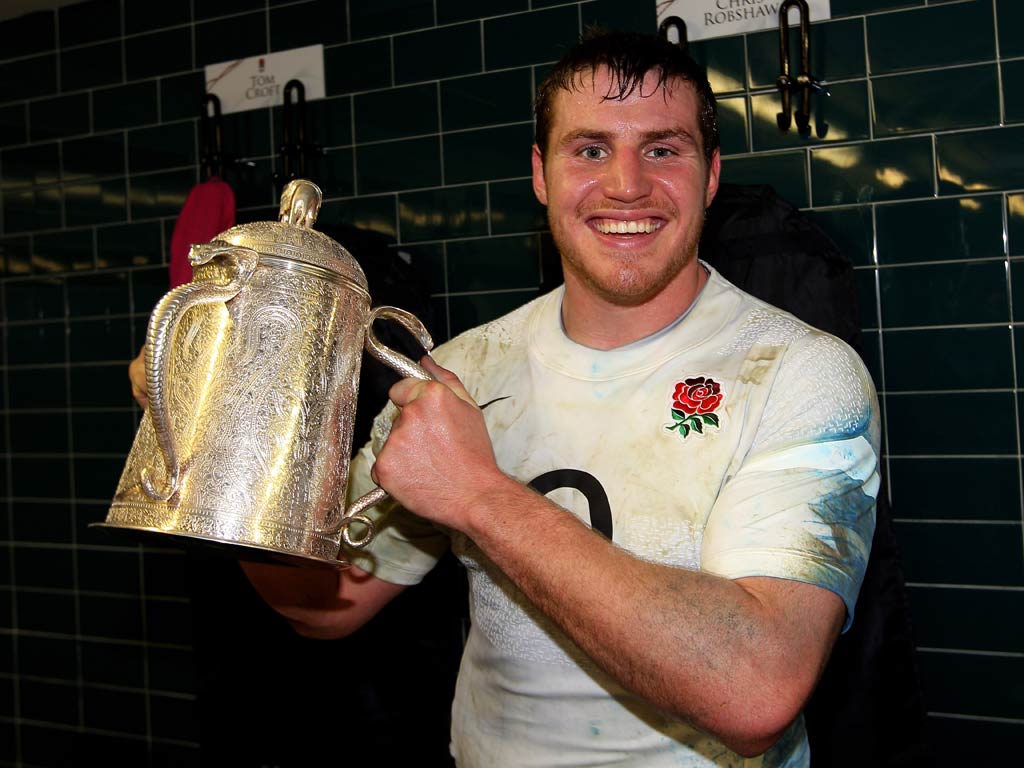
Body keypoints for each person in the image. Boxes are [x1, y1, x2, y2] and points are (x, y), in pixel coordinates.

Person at [137, 30, 879, 767]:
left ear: (710, 175)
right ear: (540, 173)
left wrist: (479, 496)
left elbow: (755, 692)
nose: (627, 184)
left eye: (663, 149)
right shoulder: (462, 375)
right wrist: (216, 436)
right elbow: (325, 604)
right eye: (590, 149)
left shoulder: (799, 374)